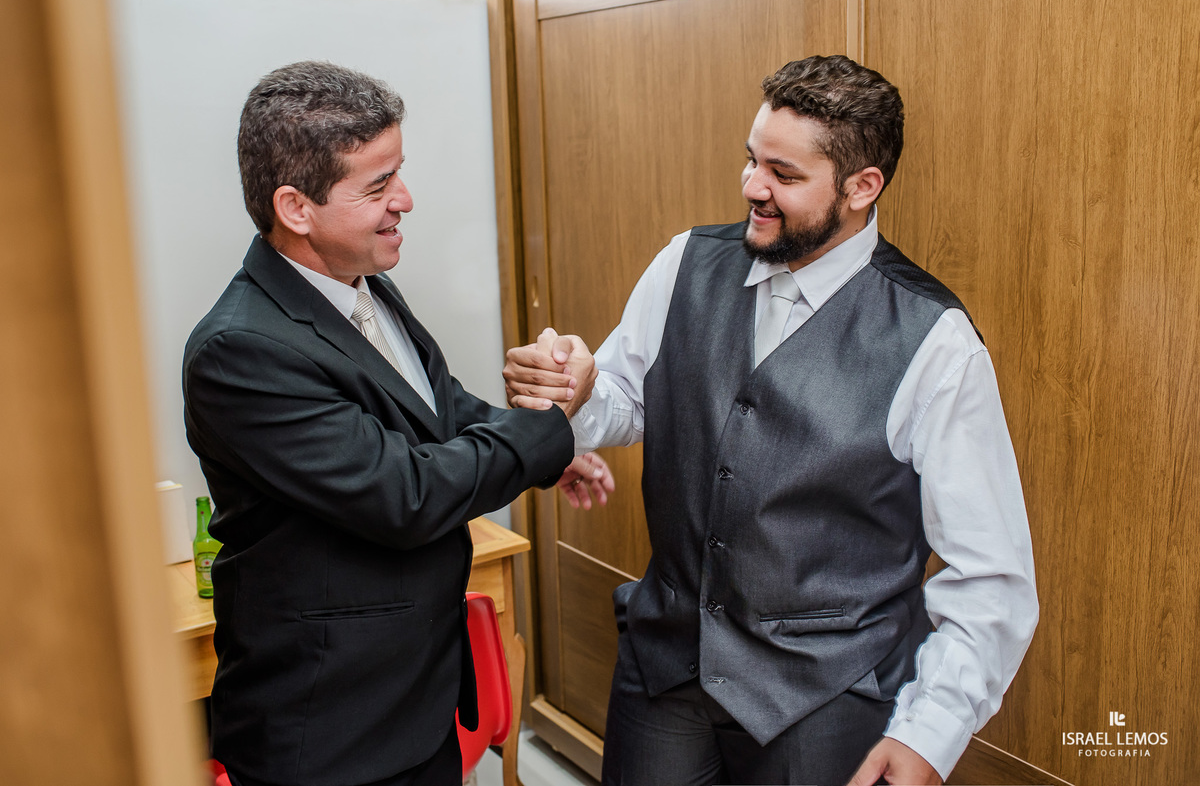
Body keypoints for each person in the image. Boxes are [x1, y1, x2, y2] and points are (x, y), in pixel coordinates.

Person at [503, 55, 1038, 786]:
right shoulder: (683, 263)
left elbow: (992, 573)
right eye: (752, 160)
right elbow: (623, 400)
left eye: (783, 175)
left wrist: (930, 731)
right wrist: (574, 389)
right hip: (665, 672)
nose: (752, 186)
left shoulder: (936, 342)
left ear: (862, 187)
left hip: (827, 699)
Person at [183, 60, 612, 786]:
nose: (404, 200)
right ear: (296, 207)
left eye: (398, 174)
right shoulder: (241, 350)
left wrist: (546, 450)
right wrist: (550, 430)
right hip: (330, 730)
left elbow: (435, 410)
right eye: (377, 185)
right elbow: (406, 493)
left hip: (415, 699)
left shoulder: (365, 285)